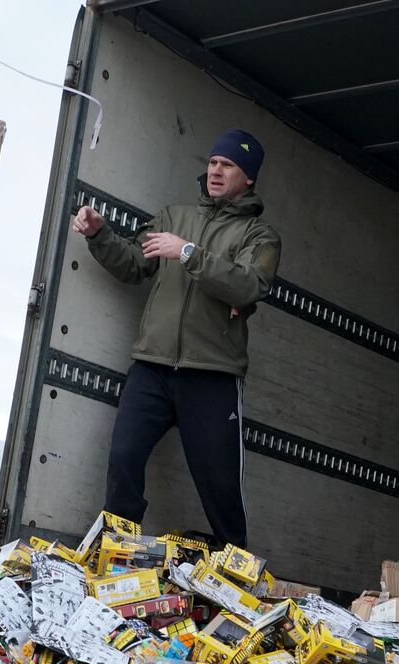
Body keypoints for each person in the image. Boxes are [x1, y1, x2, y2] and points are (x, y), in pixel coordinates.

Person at [72, 129, 282, 548]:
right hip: (152, 365)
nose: (216, 170)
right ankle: (118, 547)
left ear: (248, 178)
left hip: (212, 375)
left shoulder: (260, 237)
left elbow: (247, 287)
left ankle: (233, 565)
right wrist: (99, 233)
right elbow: (135, 265)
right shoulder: (173, 217)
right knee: (124, 458)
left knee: (219, 483)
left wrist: (189, 253)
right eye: (213, 162)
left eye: (228, 165)